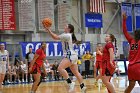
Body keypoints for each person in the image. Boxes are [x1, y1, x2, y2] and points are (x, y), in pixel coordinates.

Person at [43, 24, 86, 93]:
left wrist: (49, 30)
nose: (64, 27)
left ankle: (70, 82)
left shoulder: (67, 35)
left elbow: (55, 37)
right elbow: (56, 36)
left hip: (70, 55)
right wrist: (49, 31)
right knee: (76, 72)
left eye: (66, 26)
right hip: (74, 55)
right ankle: (83, 86)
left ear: (69, 29)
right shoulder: (68, 35)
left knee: (60, 68)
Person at [123, 13, 140, 93]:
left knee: (130, 86)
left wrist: (124, 20)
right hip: (138, 66)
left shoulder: (131, 40)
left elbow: (125, 31)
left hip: (130, 67)